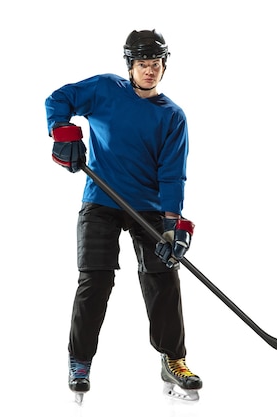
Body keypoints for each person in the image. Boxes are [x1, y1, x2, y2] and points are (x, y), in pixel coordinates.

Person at [45, 29, 202, 402]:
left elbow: (172, 174)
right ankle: (79, 361)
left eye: (156, 64)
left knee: (163, 278)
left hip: (147, 206)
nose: (150, 71)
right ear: (130, 65)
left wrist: (173, 226)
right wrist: (64, 132)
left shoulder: (172, 117)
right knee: (95, 280)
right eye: (143, 64)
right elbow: (59, 98)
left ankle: (173, 359)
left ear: (165, 65)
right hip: (101, 199)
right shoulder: (104, 90)